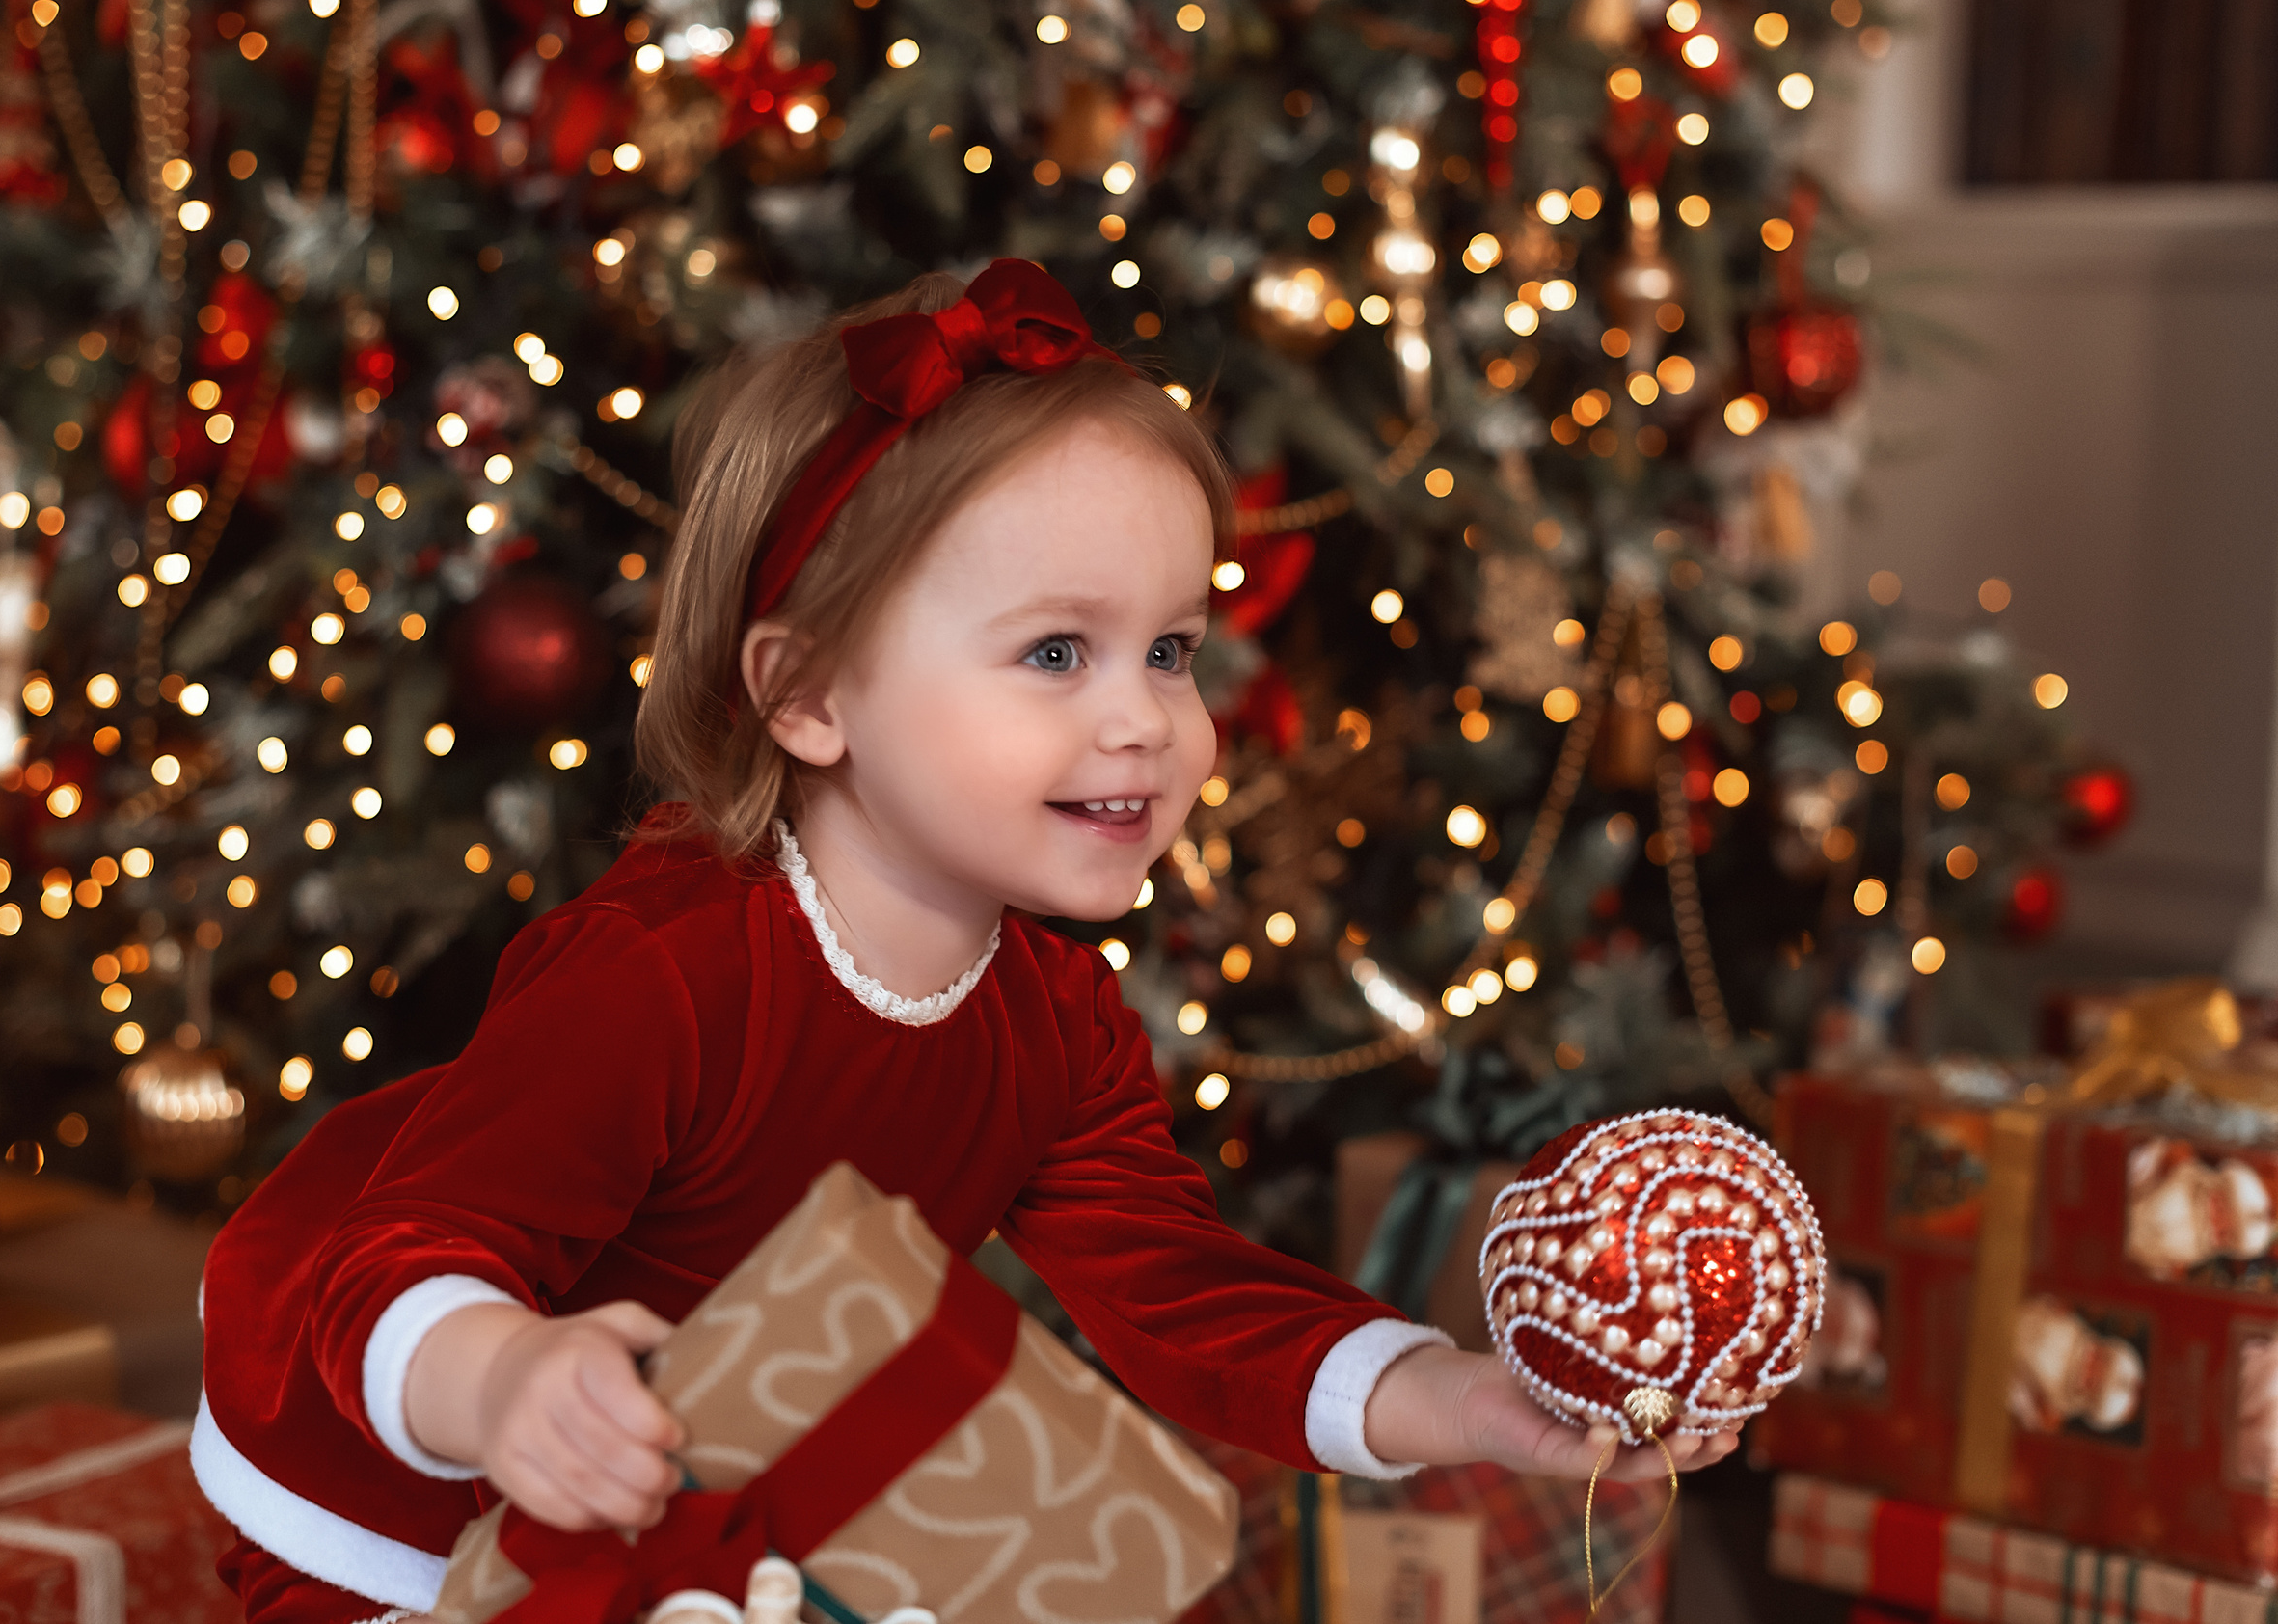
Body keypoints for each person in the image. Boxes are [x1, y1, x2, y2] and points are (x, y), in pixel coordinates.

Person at [193, 260, 1736, 1624]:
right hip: (390, 1469)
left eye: (1172, 650)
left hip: (705, 1450)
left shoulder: (1052, 1013)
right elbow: (394, 1260)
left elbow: (1178, 1293)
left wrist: (1461, 1394)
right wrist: (504, 1377)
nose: (1145, 720)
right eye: (1055, 651)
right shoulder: (671, 968)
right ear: (808, 694)